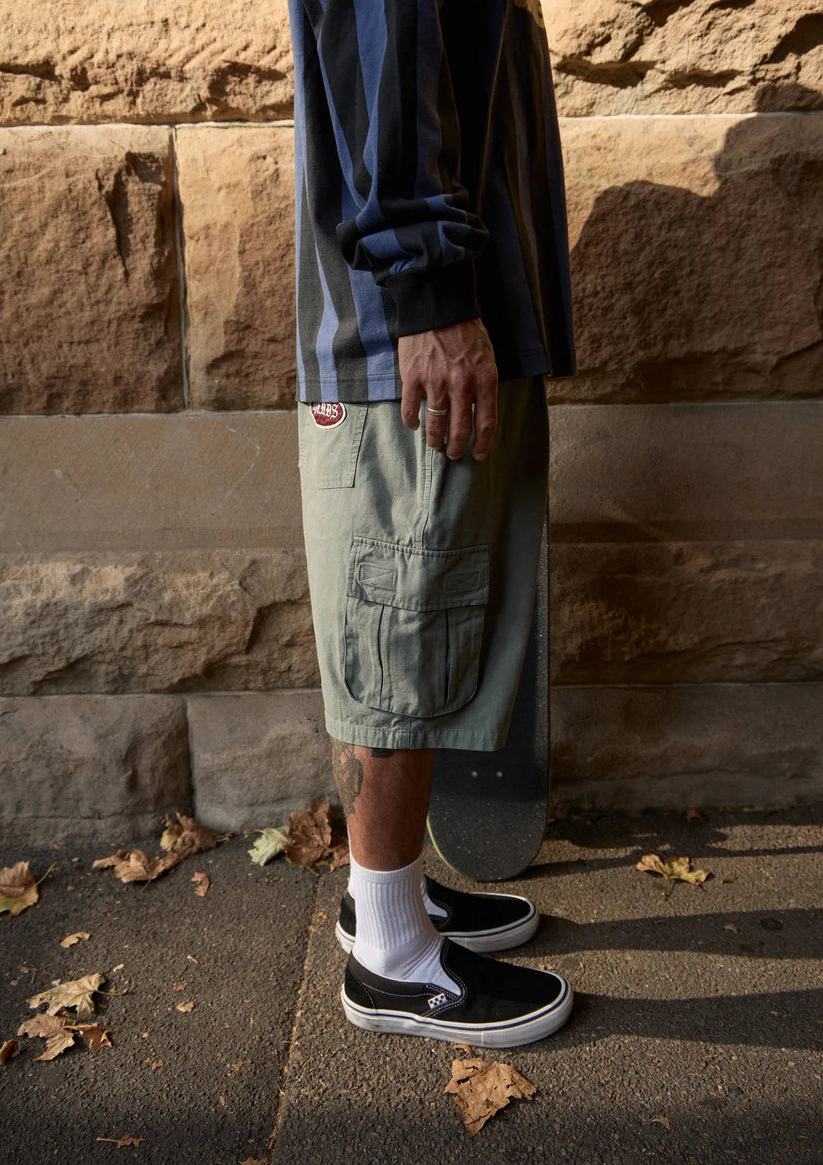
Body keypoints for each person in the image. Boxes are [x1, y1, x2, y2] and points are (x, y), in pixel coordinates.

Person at [286, 0, 578, 1047]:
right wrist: (430, 292)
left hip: (430, 304)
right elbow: (380, 37)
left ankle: (387, 892)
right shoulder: (420, 303)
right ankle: (391, 960)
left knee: (418, 603)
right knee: (399, 617)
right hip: (406, 326)